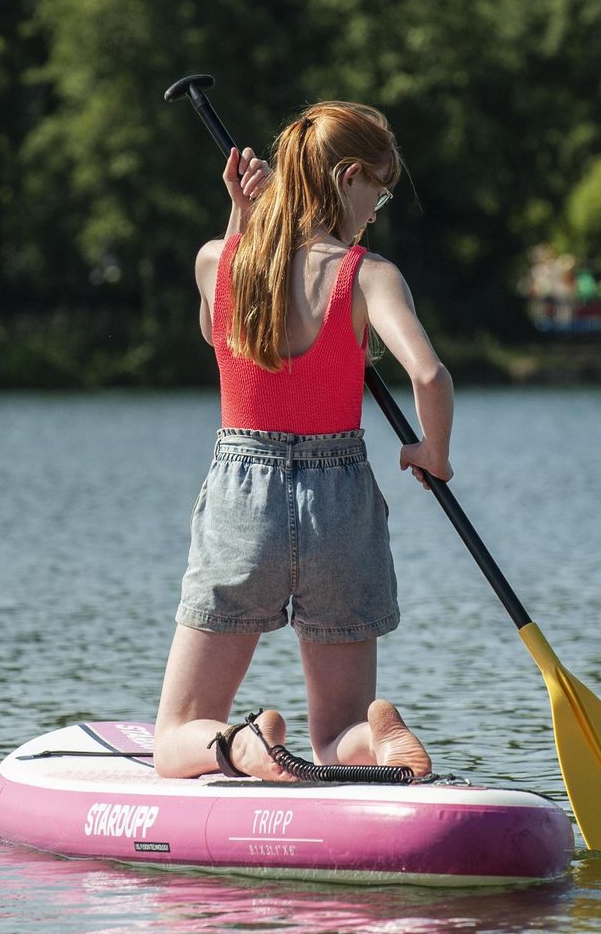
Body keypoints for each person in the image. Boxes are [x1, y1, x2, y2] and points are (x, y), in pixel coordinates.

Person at [153, 101, 454, 782]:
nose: (379, 206)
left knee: (175, 735)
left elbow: (217, 329)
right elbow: (430, 375)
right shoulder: (368, 274)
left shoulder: (214, 261)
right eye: (380, 187)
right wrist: (432, 454)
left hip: (243, 502)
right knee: (337, 732)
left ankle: (241, 745)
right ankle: (377, 743)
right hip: (340, 502)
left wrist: (240, 220)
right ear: (349, 176)